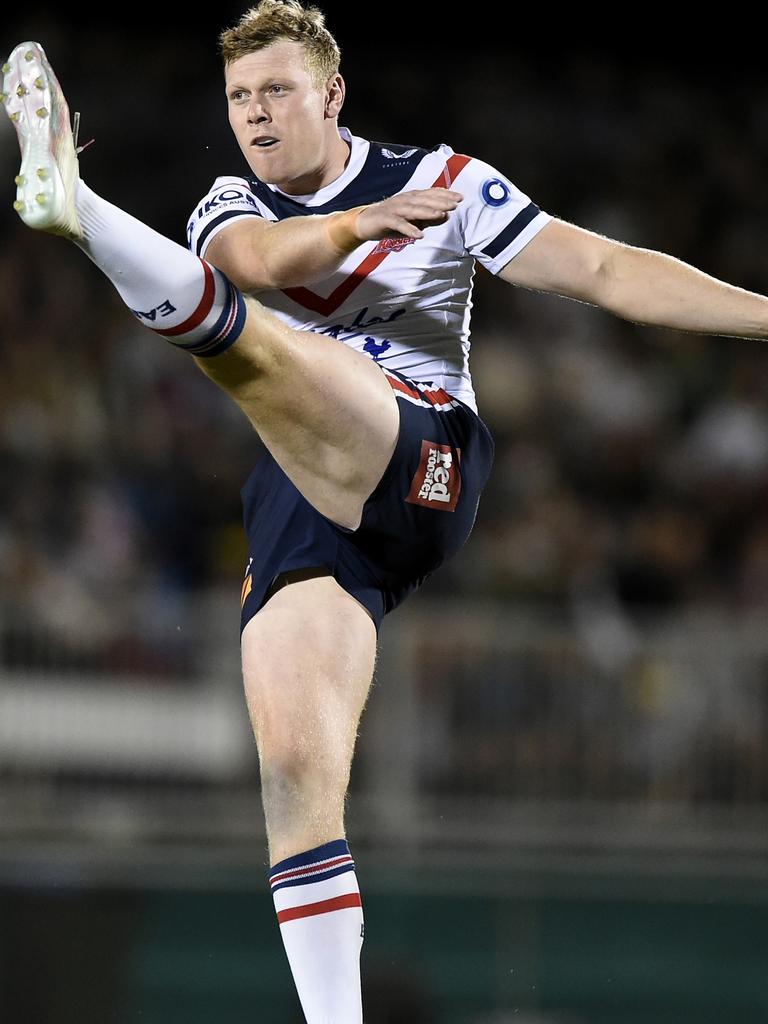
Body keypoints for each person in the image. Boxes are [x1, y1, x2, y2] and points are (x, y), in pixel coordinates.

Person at [4, 3, 768, 1021]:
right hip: (305, 499)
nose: (257, 115)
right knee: (294, 776)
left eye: (278, 91)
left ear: (332, 93)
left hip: (421, 456)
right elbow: (258, 266)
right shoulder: (228, 202)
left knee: (258, 354)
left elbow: (601, 270)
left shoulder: (444, 181)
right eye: (239, 97)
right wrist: (354, 226)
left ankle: (82, 211)